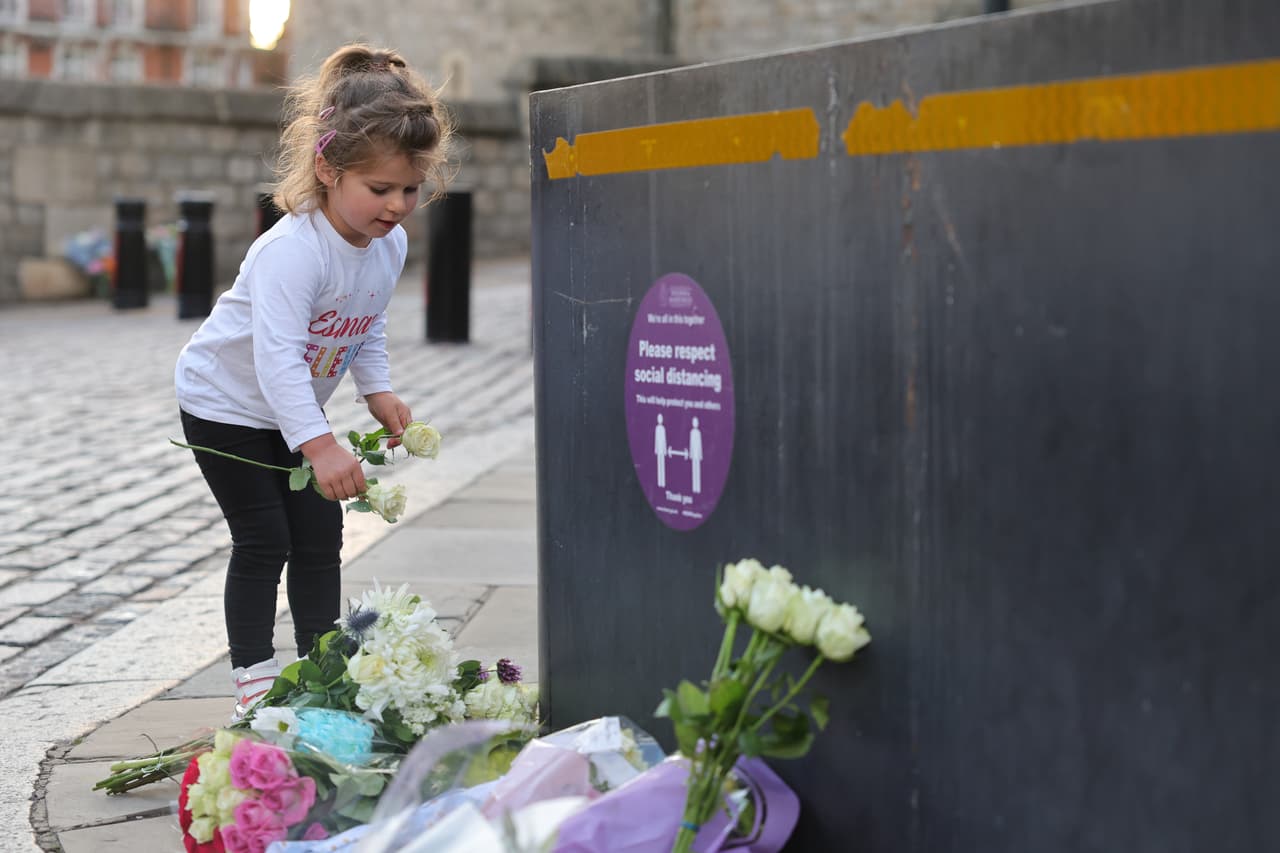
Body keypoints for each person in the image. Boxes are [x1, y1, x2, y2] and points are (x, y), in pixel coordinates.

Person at [173, 44, 453, 719]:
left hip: (289, 411)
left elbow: (366, 319)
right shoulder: (292, 253)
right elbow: (276, 360)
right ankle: (254, 681)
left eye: (410, 190)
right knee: (264, 537)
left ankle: (323, 665)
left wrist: (376, 388)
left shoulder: (387, 244)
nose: (397, 206)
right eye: (380, 189)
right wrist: (320, 444)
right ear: (328, 169)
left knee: (320, 538)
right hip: (225, 405)